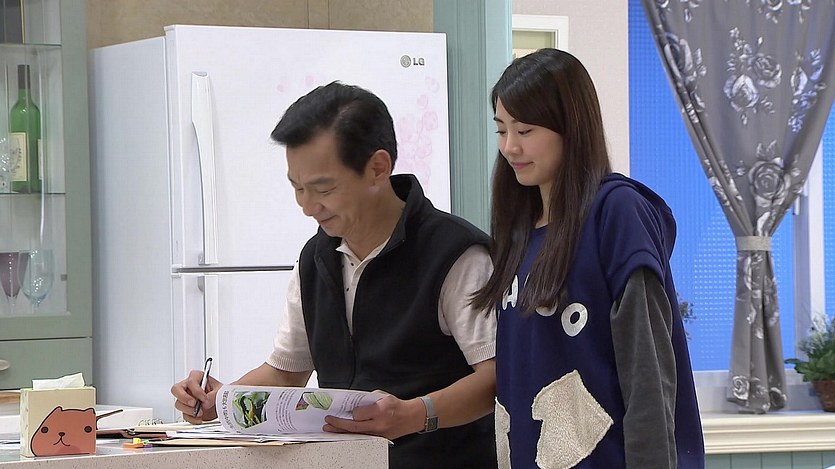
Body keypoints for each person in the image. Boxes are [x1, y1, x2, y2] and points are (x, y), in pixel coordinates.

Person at [171, 81, 499, 469]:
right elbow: (286, 373)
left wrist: (415, 414)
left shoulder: (454, 254)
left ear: (378, 168)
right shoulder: (316, 258)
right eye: (297, 188)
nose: (308, 206)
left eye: (323, 188)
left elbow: (496, 376)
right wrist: (224, 400)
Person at [470, 48, 705, 468]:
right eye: (501, 130)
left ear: (572, 128)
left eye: (525, 130)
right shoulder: (519, 228)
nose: (509, 147)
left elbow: (647, 376)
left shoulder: (617, 212)